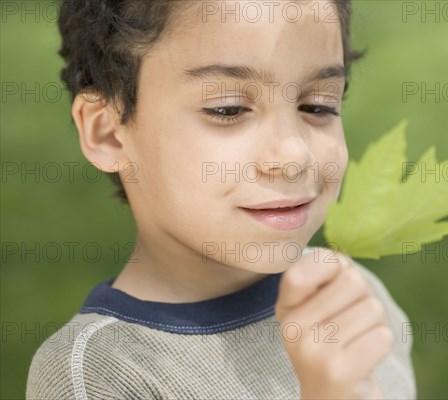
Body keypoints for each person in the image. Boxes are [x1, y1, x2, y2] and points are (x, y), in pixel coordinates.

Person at [26, 1, 417, 398]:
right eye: (227, 109)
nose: (295, 156)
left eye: (317, 105)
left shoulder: (355, 301)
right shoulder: (97, 372)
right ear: (108, 133)